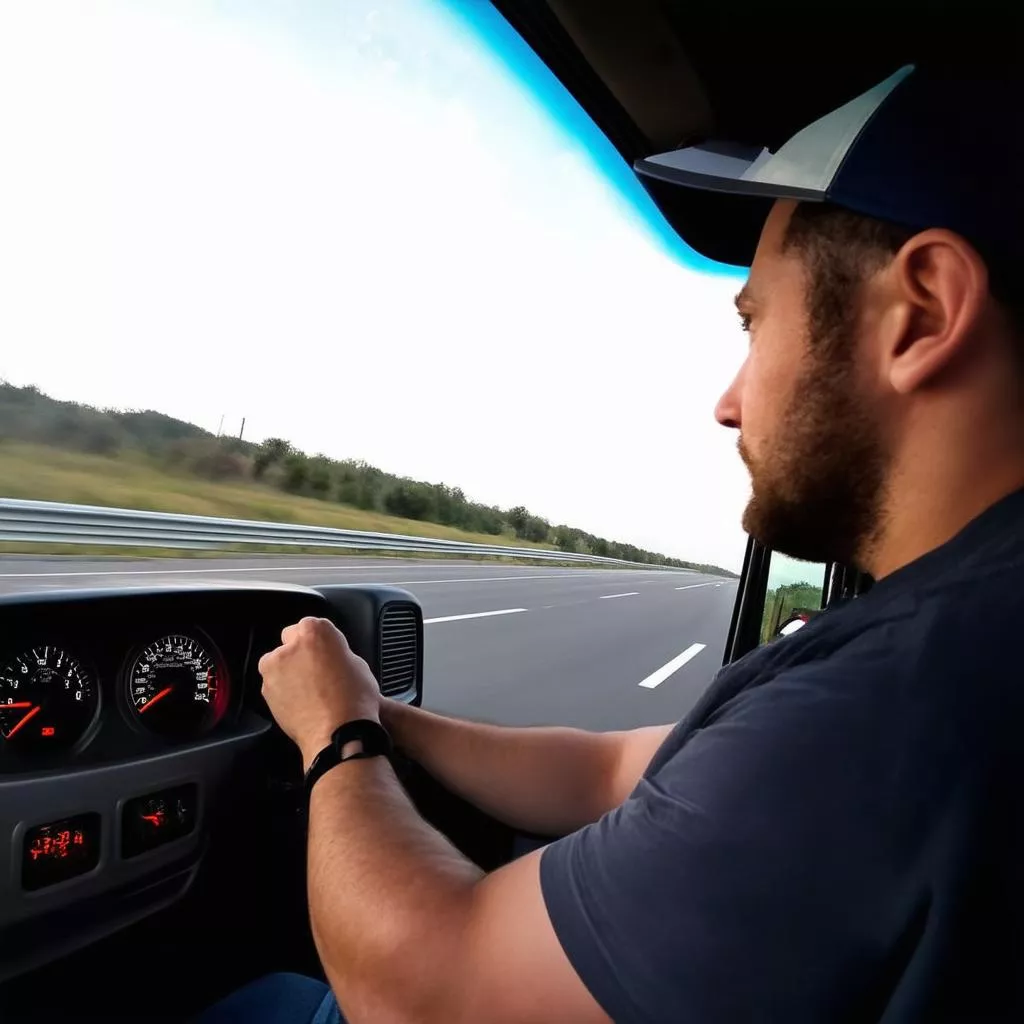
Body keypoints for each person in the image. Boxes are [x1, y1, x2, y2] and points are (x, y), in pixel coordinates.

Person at [201, 66, 1024, 1023]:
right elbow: (609, 770)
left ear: (919, 312)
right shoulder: (951, 630)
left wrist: (334, 742)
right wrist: (378, 714)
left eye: (756, 325)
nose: (728, 401)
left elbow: (425, 993)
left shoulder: (899, 698)